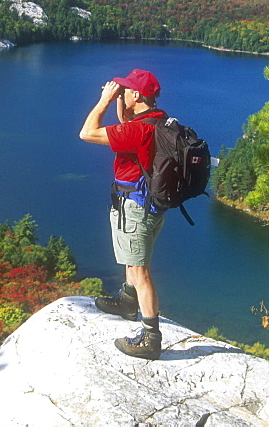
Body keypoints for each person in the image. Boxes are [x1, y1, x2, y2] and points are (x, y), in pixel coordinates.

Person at [79, 68, 166, 360]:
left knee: (140, 271)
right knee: (133, 261)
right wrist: (121, 99)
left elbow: (87, 133)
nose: (123, 92)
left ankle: (150, 337)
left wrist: (104, 100)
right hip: (148, 205)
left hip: (136, 207)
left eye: (128, 90)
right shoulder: (157, 120)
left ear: (137, 95)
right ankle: (128, 303)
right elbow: (127, 122)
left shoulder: (138, 130)